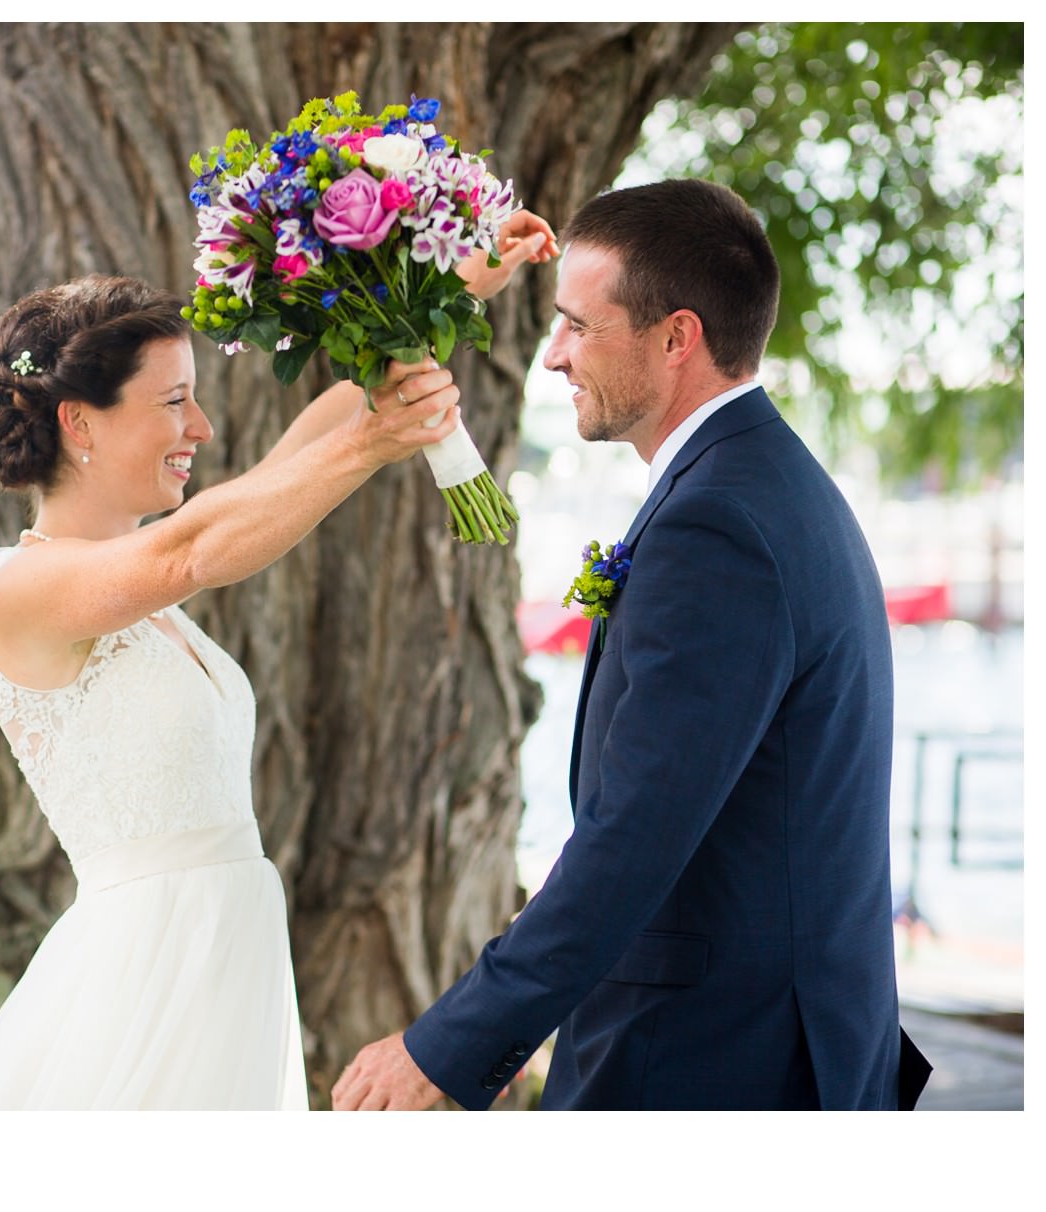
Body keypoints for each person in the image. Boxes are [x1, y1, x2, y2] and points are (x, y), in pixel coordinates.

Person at [0, 219, 554, 1110]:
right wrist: (374, 442)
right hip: (144, 977)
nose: (202, 428)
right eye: (174, 401)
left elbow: (293, 456)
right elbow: (198, 547)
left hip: (228, 957)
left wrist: (453, 294)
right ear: (77, 422)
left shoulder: (142, 587)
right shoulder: (26, 588)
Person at [333, 179, 931, 1111]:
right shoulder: (757, 480)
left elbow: (636, 837)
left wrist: (448, 1047)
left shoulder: (719, 523)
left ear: (676, 337)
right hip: (770, 1038)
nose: (553, 357)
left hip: (714, 1059)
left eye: (579, 325)